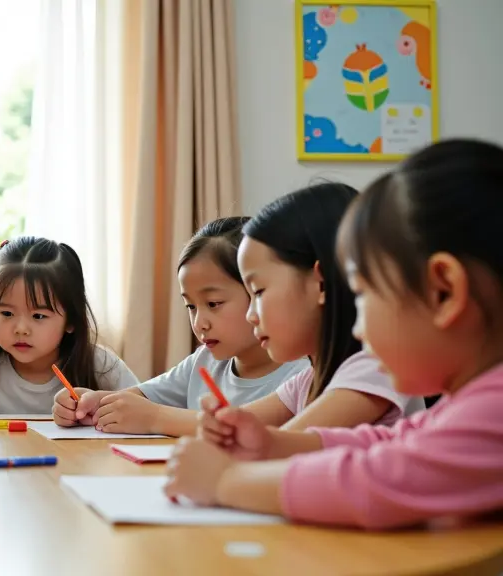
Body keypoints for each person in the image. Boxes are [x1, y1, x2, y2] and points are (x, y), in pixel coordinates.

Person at [165, 139, 503, 530]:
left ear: (443, 292)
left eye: (364, 295)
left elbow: (376, 480)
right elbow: (391, 445)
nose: (358, 325)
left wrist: (225, 482)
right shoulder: (467, 403)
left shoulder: (493, 408)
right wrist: (273, 444)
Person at [53, 217, 308, 434]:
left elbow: (251, 430)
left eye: (214, 303)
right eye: (191, 307)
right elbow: (138, 400)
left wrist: (153, 417)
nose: (200, 323)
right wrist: (92, 403)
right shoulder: (204, 360)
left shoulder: (303, 372)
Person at [227, 182, 424, 431]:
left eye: (258, 292)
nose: (250, 316)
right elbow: (244, 428)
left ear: (321, 285)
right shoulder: (306, 382)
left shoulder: (376, 368)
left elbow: (276, 447)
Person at [0, 237, 138, 416]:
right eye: (7, 314)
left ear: (71, 321)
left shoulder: (101, 365)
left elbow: (141, 412)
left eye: (38, 316)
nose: (21, 329)